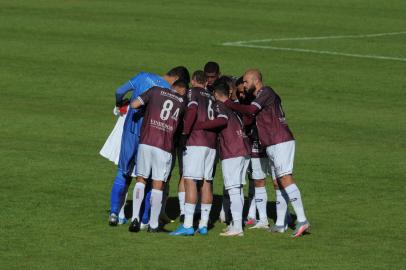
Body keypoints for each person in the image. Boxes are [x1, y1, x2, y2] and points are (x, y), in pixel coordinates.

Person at [221, 69, 310, 237]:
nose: (245, 85)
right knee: (278, 182)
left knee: (285, 178)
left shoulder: (266, 92)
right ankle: (280, 224)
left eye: (247, 81)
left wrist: (228, 103)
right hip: (272, 143)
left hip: (280, 141)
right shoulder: (259, 96)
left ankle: (302, 219)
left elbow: (250, 111)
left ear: (256, 80)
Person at [108, 66, 190, 226]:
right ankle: (145, 219)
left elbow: (119, 91)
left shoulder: (143, 76)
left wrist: (119, 104)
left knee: (122, 172)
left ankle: (114, 214)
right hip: (153, 136)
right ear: (177, 79)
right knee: (150, 179)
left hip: (131, 131)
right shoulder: (169, 91)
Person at [193, 82, 251, 237]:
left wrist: (201, 126)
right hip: (244, 148)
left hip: (233, 150)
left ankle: (237, 226)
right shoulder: (232, 107)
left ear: (216, 94)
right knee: (237, 189)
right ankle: (236, 223)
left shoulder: (219, 104)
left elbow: (222, 120)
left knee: (233, 189)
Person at [128, 84, 186, 233]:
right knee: (158, 185)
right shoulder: (182, 102)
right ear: (183, 89)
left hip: (146, 141)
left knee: (141, 180)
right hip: (165, 147)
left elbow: (134, 104)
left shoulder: (154, 91)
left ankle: (135, 218)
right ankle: (153, 224)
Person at [170, 71, 217, 236]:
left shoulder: (192, 92)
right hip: (211, 144)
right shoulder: (212, 96)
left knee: (190, 180)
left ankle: (188, 225)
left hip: (196, 141)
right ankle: (203, 224)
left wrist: (184, 133)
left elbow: (192, 111)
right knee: (207, 182)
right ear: (206, 82)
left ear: (192, 81)